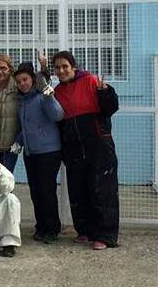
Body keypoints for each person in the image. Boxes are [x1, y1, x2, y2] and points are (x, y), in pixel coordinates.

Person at [51, 50, 120, 250]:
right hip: (73, 149)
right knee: (78, 190)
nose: (62, 70)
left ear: (74, 67)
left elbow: (110, 108)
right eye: (58, 67)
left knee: (102, 190)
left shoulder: (91, 81)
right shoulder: (57, 92)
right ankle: (85, 231)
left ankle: (105, 235)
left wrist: (104, 92)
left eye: (65, 66)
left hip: (99, 146)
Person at [12, 62, 64, 244]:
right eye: (18, 81)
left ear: (32, 80)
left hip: (48, 152)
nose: (22, 84)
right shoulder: (22, 101)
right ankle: (41, 225)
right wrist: (18, 142)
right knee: (35, 191)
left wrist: (50, 97)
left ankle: (52, 228)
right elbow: (26, 127)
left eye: (25, 79)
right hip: (30, 153)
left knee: (46, 190)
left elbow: (58, 115)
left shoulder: (42, 97)